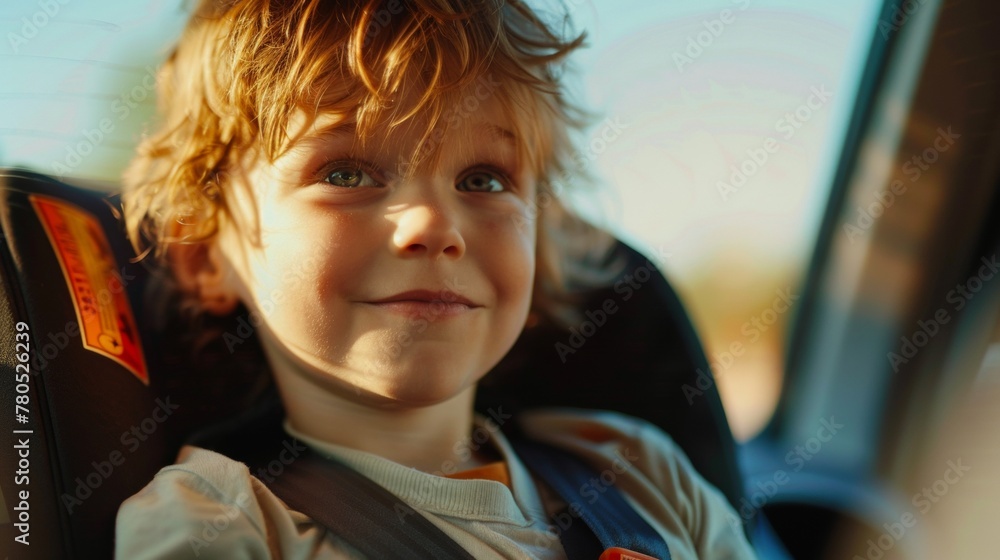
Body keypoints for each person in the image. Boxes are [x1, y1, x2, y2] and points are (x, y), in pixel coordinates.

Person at [114, 0, 758, 558]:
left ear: (541, 246)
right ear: (203, 254)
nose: (432, 224)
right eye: (345, 173)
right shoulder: (221, 522)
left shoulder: (637, 472)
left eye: (484, 180)